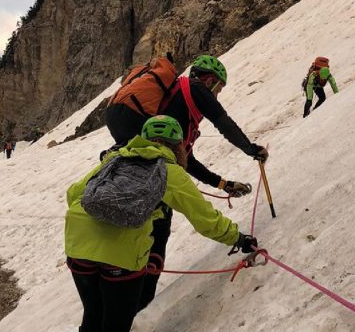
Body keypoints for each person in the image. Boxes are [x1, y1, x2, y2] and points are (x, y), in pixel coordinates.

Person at [64, 114, 259, 332]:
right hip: (122, 257)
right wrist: (239, 238)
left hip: (77, 245)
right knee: (115, 327)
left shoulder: (115, 157)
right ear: (178, 145)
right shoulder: (169, 173)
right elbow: (205, 220)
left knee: (93, 315)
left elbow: (74, 194)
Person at [104, 54, 268, 308]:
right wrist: (251, 149)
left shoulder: (174, 109)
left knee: (149, 225)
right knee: (159, 225)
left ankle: (130, 300)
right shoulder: (195, 88)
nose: (217, 94)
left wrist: (222, 184)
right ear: (210, 80)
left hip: (135, 159)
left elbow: (184, 159)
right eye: (219, 87)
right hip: (154, 174)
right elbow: (224, 123)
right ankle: (136, 305)